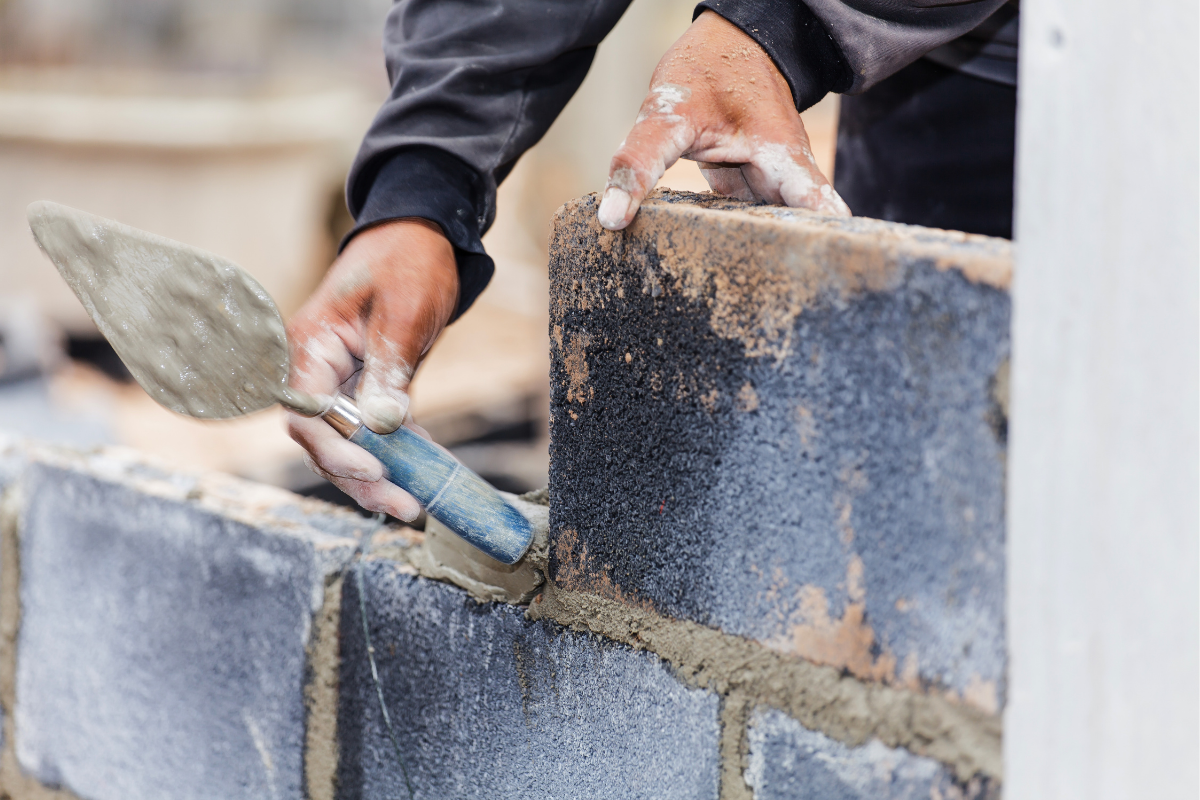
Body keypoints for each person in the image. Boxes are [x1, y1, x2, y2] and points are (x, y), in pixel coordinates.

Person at [285, 0, 1019, 520]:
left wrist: (782, 26)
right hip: (937, 83)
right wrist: (424, 182)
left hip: (1043, 60)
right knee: (901, 487)